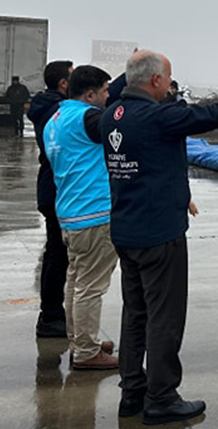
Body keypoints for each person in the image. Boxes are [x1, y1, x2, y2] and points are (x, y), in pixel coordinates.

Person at [102, 45, 218, 424]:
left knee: (135, 314)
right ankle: (161, 398)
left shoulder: (112, 116)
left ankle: (132, 393)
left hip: (125, 232)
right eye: (168, 78)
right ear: (156, 80)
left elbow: (149, 164)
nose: (171, 85)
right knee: (165, 317)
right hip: (159, 235)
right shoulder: (161, 117)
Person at [44, 65, 118, 370]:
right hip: (94, 214)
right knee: (90, 286)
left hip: (71, 213)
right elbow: (121, 130)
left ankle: (81, 341)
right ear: (90, 94)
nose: (107, 96)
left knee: (76, 282)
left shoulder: (57, 118)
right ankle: (87, 353)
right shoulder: (88, 118)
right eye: (104, 92)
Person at [26, 61, 74, 338]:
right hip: (57, 188)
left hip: (51, 188)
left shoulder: (45, 106)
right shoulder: (55, 110)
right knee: (57, 256)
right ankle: (51, 317)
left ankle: (53, 314)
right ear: (64, 84)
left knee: (57, 254)